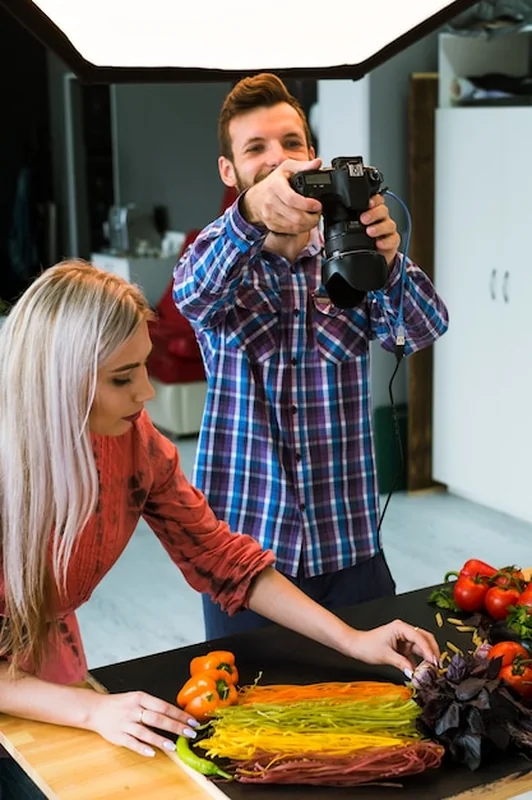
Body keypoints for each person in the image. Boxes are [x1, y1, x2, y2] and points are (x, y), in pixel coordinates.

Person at [0, 260, 438, 797]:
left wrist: (354, 640)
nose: (147, 393)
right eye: (122, 378)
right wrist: (91, 708)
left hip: (43, 667)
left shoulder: (133, 442)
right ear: (56, 381)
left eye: (143, 367)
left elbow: (222, 558)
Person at [172, 73, 450, 641]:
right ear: (230, 172)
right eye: (256, 148)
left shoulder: (349, 256)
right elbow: (191, 293)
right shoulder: (219, 257)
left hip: (349, 549)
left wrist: (389, 258)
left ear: (313, 156)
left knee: (380, 716)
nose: (279, 160)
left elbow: (422, 330)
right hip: (245, 558)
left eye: (291, 144)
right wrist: (250, 214)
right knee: (253, 722)